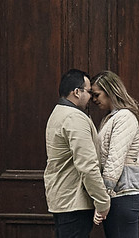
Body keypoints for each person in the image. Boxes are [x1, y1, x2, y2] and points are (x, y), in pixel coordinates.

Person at [44, 68, 111, 238]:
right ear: (76, 92)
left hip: (63, 199)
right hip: (74, 202)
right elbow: (87, 165)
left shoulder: (57, 113)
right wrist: (103, 201)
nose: (91, 97)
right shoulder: (74, 117)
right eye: (89, 92)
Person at [90, 71, 139, 238]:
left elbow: (114, 160)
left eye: (97, 95)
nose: (94, 100)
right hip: (118, 193)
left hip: (123, 193)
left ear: (110, 91)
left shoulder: (124, 117)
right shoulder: (111, 118)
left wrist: (103, 198)